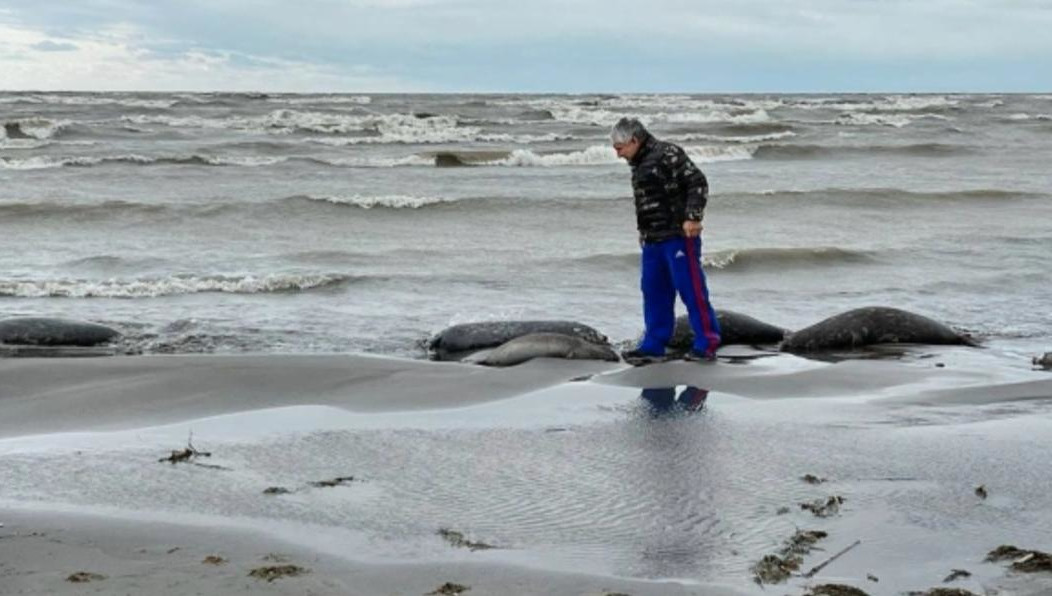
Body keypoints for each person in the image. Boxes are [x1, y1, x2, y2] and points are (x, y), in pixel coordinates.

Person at [611, 117, 721, 364]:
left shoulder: (668, 153)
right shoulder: (637, 163)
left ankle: (707, 342)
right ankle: (653, 344)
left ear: (634, 140)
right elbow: (646, 202)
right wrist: (643, 231)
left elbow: (697, 182)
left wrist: (693, 217)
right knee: (653, 291)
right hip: (653, 240)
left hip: (679, 236)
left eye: (620, 148)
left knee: (691, 290)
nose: (618, 155)